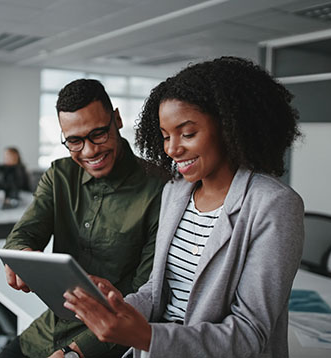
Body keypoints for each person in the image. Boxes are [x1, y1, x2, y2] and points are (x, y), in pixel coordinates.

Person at [63, 57, 305, 358]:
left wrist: (149, 336)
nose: (172, 149)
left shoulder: (274, 205)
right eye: (165, 136)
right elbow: (157, 290)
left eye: (187, 134)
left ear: (229, 126)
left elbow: (249, 333)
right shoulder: (176, 192)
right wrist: (117, 305)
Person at [0, 79, 166, 358]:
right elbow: (22, 234)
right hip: (51, 328)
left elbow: (145, 293)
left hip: (110, 340)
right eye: (75, 141)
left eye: (99, 134)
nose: (90, 151)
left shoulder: (159, 189)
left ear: (117, 119)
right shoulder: (59, 175)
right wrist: (19, 255)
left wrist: (77, 352)